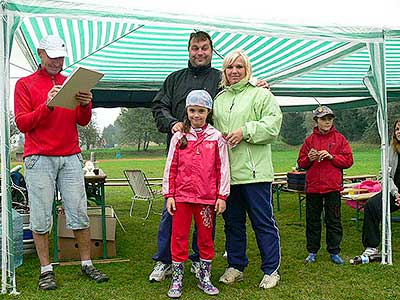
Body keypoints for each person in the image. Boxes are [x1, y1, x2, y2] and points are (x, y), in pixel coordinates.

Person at [151, 31, 269, 282]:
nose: (200, 52)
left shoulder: (220, 78)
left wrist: (258, 85)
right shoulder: (174, 79)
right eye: (195, 48)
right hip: (181, 158)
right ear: (189, 50)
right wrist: (172, 123)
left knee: (205, 215)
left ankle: (196, 260)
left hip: (210, 161)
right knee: (172, 213)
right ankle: (164, 261)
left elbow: (240, 87)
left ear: (211, 50)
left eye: (205, 48)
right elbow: (158, 107)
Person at [14, 35, 108, 290]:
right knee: (42, 216)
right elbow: (22, 122)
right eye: (52, 56)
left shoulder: (70, 83)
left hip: (70, 156)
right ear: (40, 53)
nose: (57, 62)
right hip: (39, 157)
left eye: (61, 57)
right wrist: (48, 105)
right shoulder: (25, 84)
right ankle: (46, 270)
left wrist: (87, 104)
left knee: (78, 211)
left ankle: (87, 264)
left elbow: (82, 121)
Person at [212, 49, 282, 289]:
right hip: (228, 175)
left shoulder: (261, 95)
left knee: (262, 222)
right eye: (230, 67)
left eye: (239, 67)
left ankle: (271, 269)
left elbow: (273, 126)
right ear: (224, 71)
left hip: (255, 173)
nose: (234, 71)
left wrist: (245, 132)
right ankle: (235, 265)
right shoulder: (218, 100)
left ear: (247, 70)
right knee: (232, 223)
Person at [162, 90, 230, 298]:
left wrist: (221, 196)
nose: (196, 115)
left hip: (206, 199)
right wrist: (169, 194)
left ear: (208, 112)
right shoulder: (179, 136)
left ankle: (204, 277)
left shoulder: (216, 137)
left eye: (201, 111)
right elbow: (170, 166)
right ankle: (177, 279)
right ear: (187, 111)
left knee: (206, 239)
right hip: (181, 198)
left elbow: (223, 168)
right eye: (192, 111)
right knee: (179, 237)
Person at [297, 106, 353, 265]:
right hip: (313, 188)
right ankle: (312, 252)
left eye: (329, 118)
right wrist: (309, 158)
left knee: (333, 221)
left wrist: (331, 157)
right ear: (316, 121)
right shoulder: (309, 141)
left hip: (333, 188)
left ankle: (334, 252)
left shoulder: (340, 139)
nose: (327, 121)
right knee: (312, 221)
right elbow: (301, 163)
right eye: (323, 119)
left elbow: (349, 161)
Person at [357, 119, 400, 259]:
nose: (399, 132)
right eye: (397, 129)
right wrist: (395, 193)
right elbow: (383, 175)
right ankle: (371, 247)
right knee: (371, 205)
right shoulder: (390, 150)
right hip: (394, 192)